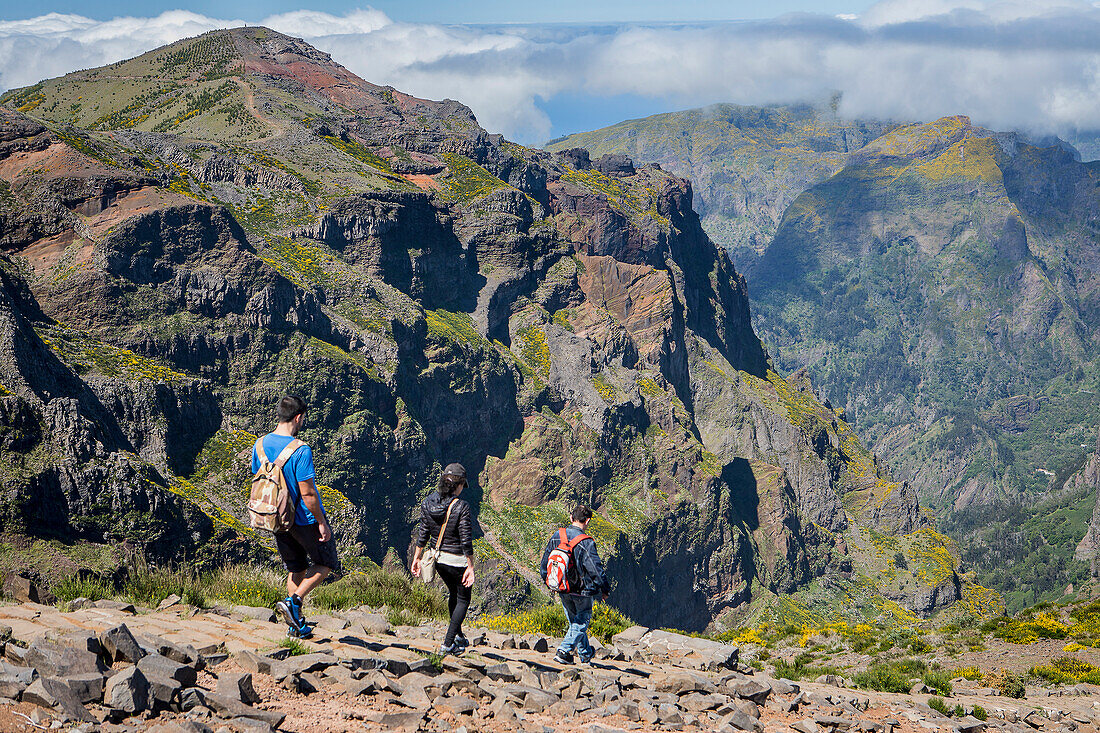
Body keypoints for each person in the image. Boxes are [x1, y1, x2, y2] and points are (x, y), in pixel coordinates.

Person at [253, 395, 340, 638]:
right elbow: (308, 493)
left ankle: (295, 625)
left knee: (296, 567)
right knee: (326, 563)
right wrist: (322, 522)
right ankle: (294, 602)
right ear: (298, 417)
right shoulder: (301, 449)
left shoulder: (259, 445)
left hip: (276, 518)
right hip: (302, 519)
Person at [411, 464, 474, 655]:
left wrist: (417, 557)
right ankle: (448, 644)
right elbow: (465, 540)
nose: (462, 489)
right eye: (462, 485)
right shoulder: (461, 506)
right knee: (463, 599)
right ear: (459, 484)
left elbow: (423, 533)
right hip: (457, 561)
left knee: (453, 593)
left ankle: (458, 636)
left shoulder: (428, 503)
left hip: (438, 560)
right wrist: (471, 566)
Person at [540, 504, 611, 665]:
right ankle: (564, 651)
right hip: (582, 590)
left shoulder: (558, 535)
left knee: (575, 622)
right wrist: (604, 589)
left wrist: (549, 581)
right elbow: (595, 569)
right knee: (582, 620)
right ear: (587, 521)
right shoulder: (586, 542)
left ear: (571, 518)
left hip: (562, 587)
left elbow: (545, 562)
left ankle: (585, 654)